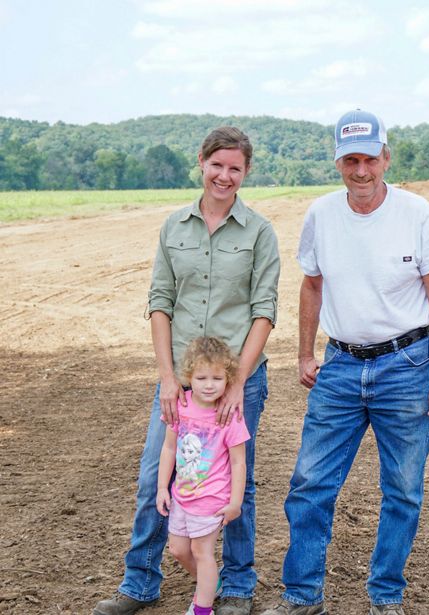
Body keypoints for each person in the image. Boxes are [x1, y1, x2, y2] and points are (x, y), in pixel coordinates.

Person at [262, 110, 429, 615]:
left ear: (386, 158)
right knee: (309, 486)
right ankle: (302, 597)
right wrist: (305, 352)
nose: (362, 170)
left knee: (403, 491)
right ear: (338, 163)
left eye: (370, 158)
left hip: (408, 366)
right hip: (341, 367)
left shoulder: (417, 213)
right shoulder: (321, 215)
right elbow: (311, 284)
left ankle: (385, 595)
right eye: (351, 160)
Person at [93, 127, 280, 615]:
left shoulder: (259, 231)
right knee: (157, 470)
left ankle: (237, 587)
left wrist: (238, 381)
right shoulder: (174, 227)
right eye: (217, 165)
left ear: (246, 172)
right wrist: (167, 378)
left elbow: (264, 309)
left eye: (235, 168)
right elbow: (160, 302)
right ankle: (139, 584)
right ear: (201, 162)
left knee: (237, 478)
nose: (225, 175)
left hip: (238, 382)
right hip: (182, 379)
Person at [156, 337, 251, 615]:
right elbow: (169, 447)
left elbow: (238, 462)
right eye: (201, 377)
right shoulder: (180, 405)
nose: (209, 385)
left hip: (211, 498)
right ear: (188, 377)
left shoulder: (229, 415)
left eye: (217, 378)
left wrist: (235, 501)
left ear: (228, 379)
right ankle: (211, 582)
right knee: (177, 549)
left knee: (202, 552)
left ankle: (202, 609)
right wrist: (163, 487)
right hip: (181, 495)